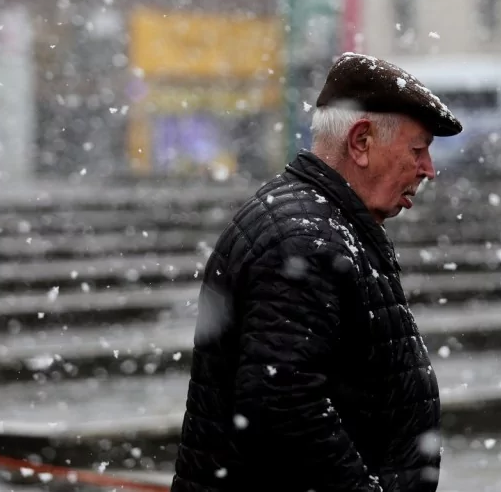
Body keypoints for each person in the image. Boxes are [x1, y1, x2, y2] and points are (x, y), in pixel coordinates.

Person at [170, 52, 463, 492]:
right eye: (417, 150)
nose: (428, 170)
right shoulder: (303, 239)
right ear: (361, 141)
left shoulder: (320, 223)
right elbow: (283, 403)